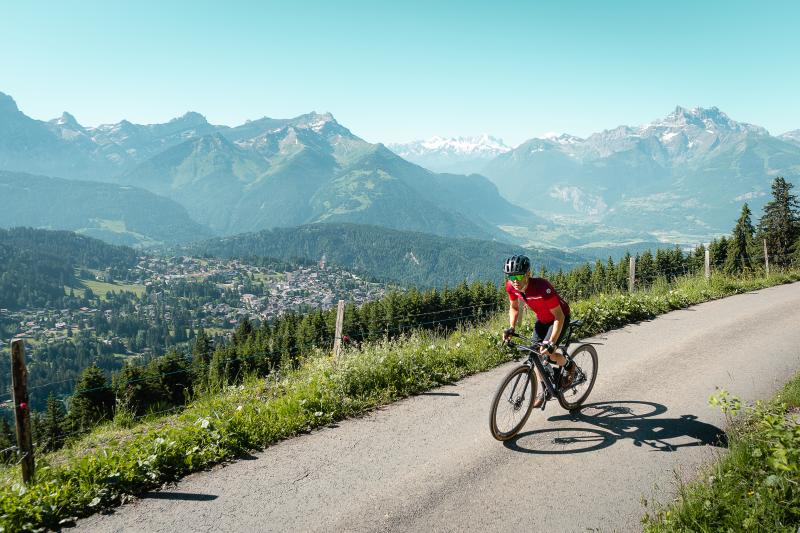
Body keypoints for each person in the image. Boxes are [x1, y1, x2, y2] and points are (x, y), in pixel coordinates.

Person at [501, 255, 575, 404]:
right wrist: (511, 327)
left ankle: (569, 366)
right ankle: (545, 391)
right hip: (542, 321)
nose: (515, 280)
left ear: (528, 273)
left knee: (548, 354)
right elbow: (514, 307)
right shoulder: (511, 287)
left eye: (519, 275)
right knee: (535, 354)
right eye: (511, 276)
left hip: (559, 319)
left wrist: (551, 342)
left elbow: (559, 316)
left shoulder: (542, 287)